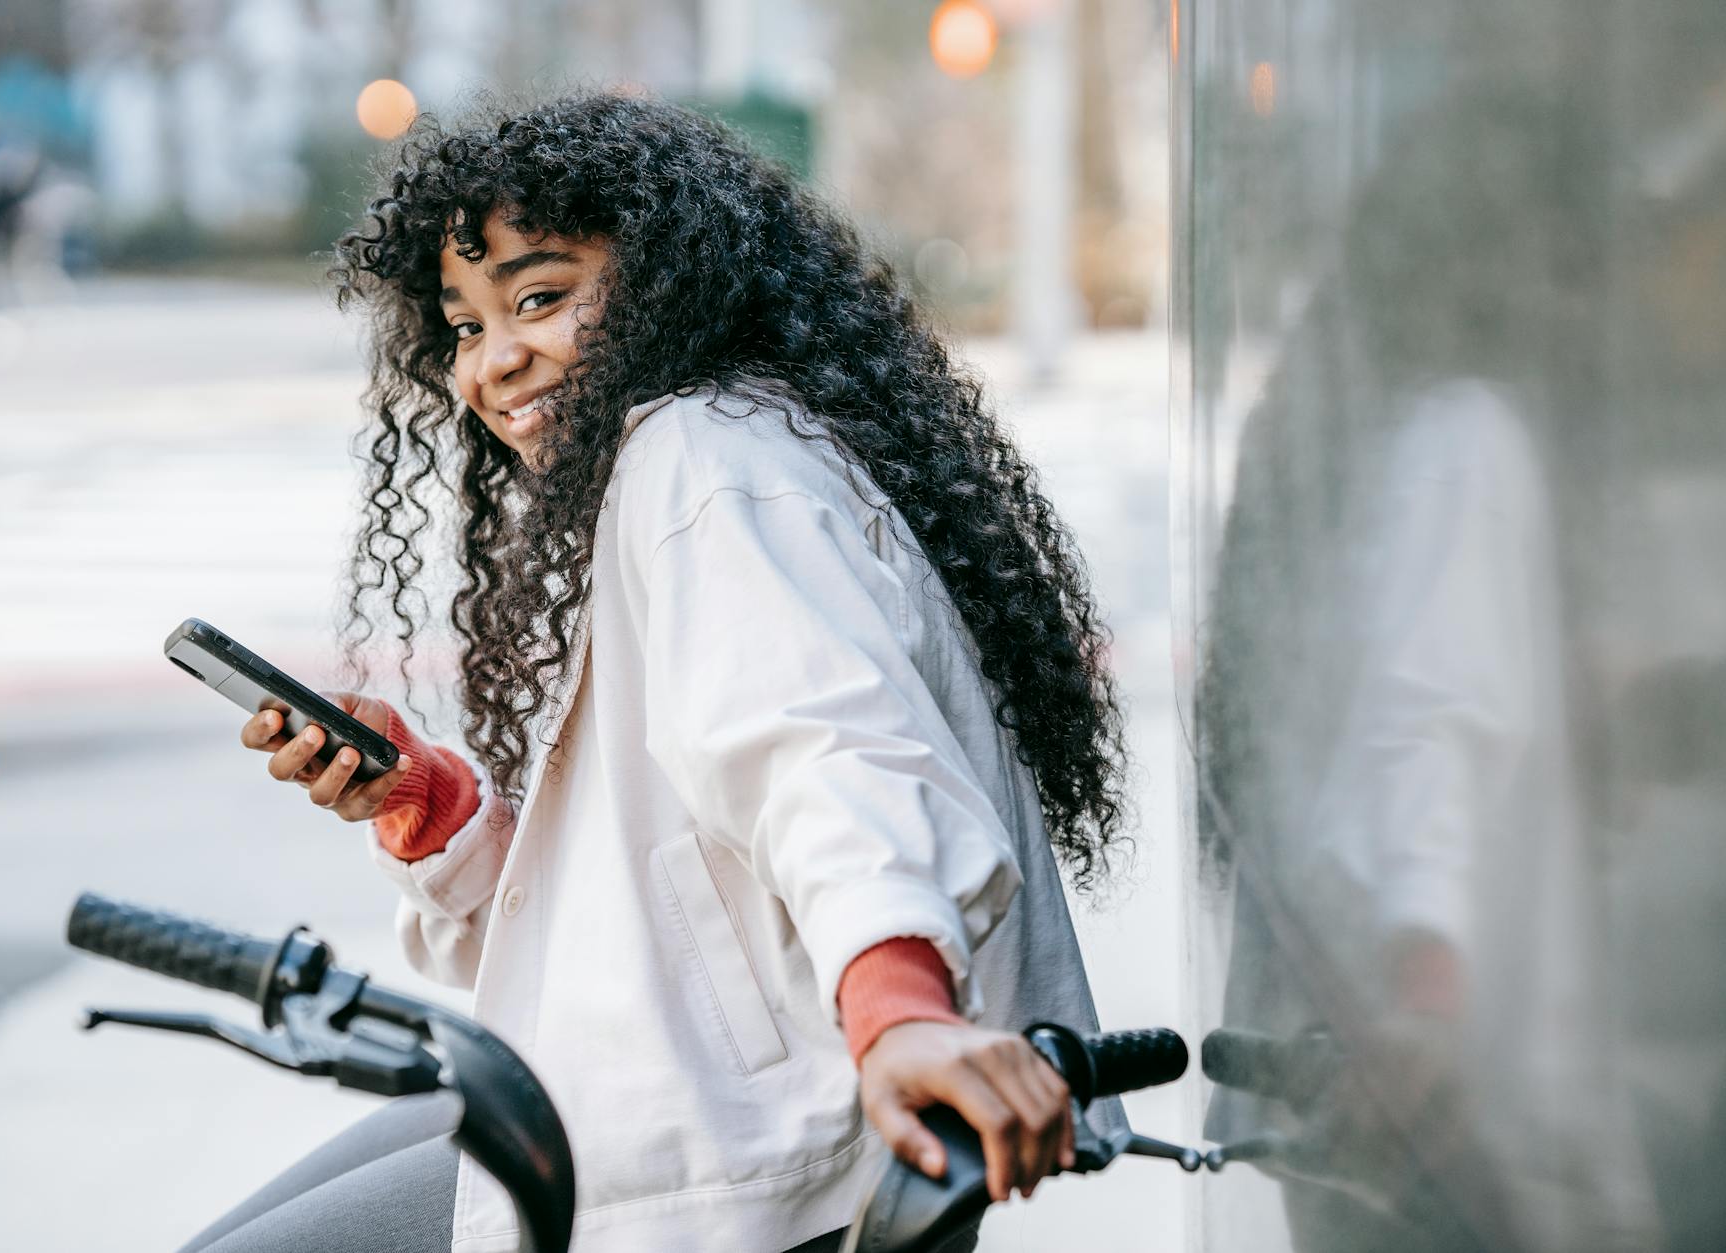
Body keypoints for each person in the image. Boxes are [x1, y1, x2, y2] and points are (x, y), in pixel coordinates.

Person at [181, 92, 1128, 1253]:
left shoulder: (699, 458)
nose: (495, 359)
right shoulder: (715, 449)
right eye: (465, 325)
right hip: (687, 1106)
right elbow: (649, 881)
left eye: (539, 297)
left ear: (678, 277)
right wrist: (436, 810)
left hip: (766, 1150)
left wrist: (898, 1011)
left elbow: (825, 750)